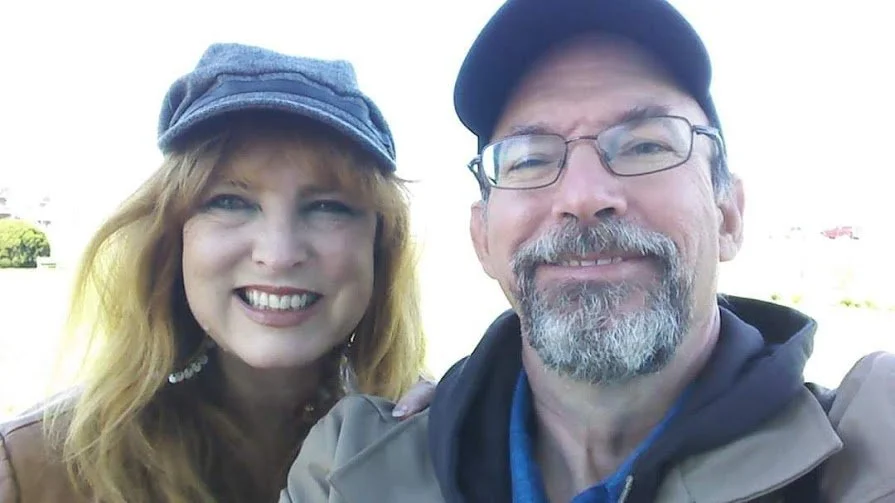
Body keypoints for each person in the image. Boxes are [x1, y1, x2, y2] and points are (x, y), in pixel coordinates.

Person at [280, 0, 895, 502]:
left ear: (728, 215)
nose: (583, 196)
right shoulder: (347, 469)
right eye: (529, 158)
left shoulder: (867, 453)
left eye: (646, 146)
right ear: (482, 238)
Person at [0, 42, 437, 503]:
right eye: (230, 201)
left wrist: (460, 456)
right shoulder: (33, 470)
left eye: (328, 207)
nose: (278, 254)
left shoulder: (433, 444)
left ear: (379, 248)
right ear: (172, 239)